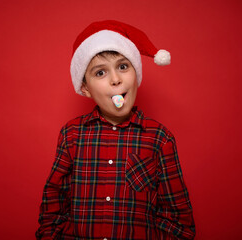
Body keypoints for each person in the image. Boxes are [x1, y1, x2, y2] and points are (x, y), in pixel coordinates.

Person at [36, 20, 195, 239]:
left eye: (123, 66)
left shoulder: (160, 139)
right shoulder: (71, 135)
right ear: (85, 88)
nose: (115, 79)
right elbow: (53, 206)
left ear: (135, 73)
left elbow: (178, 222)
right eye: (100, 73)